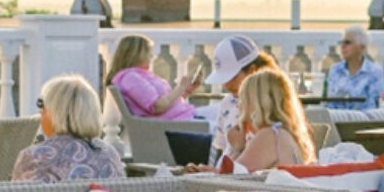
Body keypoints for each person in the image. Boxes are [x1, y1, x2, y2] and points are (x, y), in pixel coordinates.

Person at [12, 74, 125, 182]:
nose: (40, 113)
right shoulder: (109, 154)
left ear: (56, 112)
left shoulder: (35, 157)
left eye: (43, 106)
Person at [202, 35, 278, 165]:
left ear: (252, 71)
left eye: (232, 78)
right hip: (223, 176)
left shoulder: (271, 105)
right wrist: (208, 172)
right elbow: (217, 149)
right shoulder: (227, 103)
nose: (226, 85)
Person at [223, 68, 316, 171]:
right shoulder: (281, 133)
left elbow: (231, 178)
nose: (238, 106)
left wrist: (237, 148)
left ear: (255, 103)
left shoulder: (269, 135)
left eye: (242, 99)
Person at [106, 34, 198, 120]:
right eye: (148, 52)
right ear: (137, 54)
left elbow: (168, 102)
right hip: (180, 122)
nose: (151, 56)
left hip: (185, 117)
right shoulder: (131, 78)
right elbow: (158, 106)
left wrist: (187, 90)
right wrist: (181, 87)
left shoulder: (139, 75)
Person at [325, 25, 384, 110]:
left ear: (362, 47)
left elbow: (375, 105)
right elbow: (330, 102)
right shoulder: (336, 69)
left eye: (348, 43)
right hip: (337, 118)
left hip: (363, 120)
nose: (343, 46)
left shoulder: (374, 71)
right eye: (342, 43)